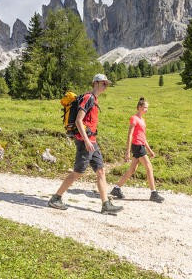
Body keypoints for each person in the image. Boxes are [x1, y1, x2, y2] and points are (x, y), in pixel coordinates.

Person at [48, 73, 123, 214]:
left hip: (92, 142)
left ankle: (105, 204)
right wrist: (87, 141)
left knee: (101, 170)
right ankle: (56, 198)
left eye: (107, 84)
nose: (106, 86)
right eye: (103, 83)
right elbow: (78, 120)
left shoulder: (94, 99)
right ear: (95, 83)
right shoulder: (89, 98)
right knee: (78, 172)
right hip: (85, 142)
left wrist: (91, 141)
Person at [110, 97, 164, 203]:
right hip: (137, 146)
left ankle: (116, 189)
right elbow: (130, 135)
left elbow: (143, 136)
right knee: (149, 168)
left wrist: (149, 150)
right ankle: (153, 193)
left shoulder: (142, 120)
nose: (146, 109)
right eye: (145, 107)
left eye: (147, 108)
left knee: (132, 170)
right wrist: (127, 151)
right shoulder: (134, 118)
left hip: (141, 145)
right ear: (139, 107)